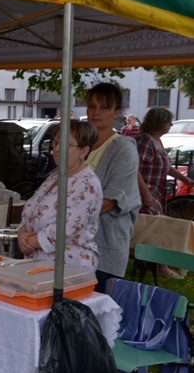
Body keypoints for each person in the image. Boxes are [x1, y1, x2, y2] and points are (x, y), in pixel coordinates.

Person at [17, 121, 103, 269]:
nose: (56, 149)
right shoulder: (55, 177)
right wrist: (21, 232)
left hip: (68, 268)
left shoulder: (88, 184)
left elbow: (65, 228)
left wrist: (29, 242)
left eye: (65, 145)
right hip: (37, 263)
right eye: (56, 143)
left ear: (84, 151)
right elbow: (30, 212)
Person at [85, 83, 141, 292]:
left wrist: (65, 219)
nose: (96, 112)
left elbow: (109, 201)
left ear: (117, 112)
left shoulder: (123, 148)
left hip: (104, 248)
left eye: (104, 107)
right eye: (91, 106)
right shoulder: (79, 145)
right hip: (72, 247)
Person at [136, 108, 193, 280]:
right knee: (156, 228)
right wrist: (145, 195)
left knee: (158, 228)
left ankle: (162, 265)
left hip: (156, 192)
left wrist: (184, 178)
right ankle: (162, 266)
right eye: (168, 122)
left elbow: (166, 166)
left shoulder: (157, 141)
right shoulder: (145, 140)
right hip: (145, 191)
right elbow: (135, 169)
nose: (170, 125)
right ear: (158, 122)